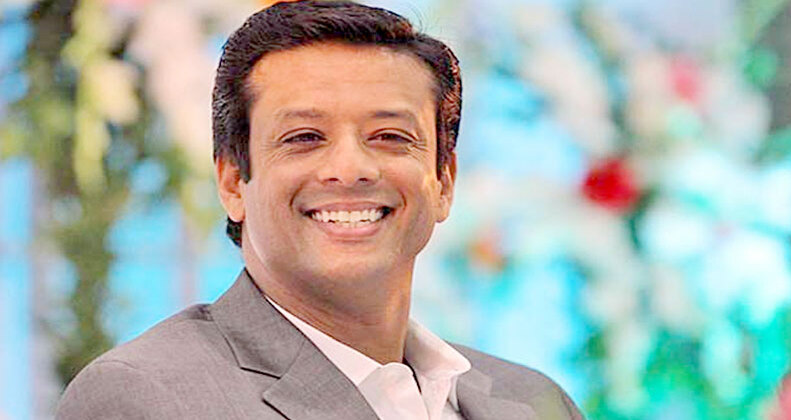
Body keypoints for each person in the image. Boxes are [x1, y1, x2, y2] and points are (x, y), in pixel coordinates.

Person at [56, 1, 583, 419]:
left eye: (390, 136)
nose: (350, 169)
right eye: (305, 137)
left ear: (443, 180)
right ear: (233, 182)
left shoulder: (532, 400)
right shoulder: (146, 396)